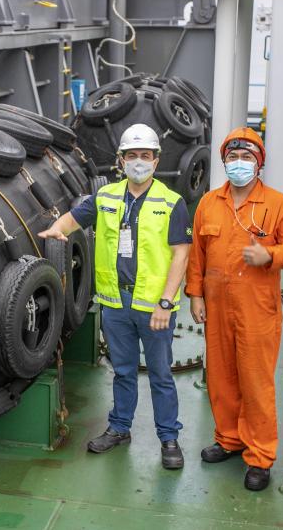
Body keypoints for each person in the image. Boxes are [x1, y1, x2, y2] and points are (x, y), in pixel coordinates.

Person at [38, 123, 191, 469]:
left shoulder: (172, 203)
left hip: (154, 307)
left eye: (145, 155)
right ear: (121, 160)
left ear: (156, 160)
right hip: (115, 304)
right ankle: (120, 428)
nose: (139, 161)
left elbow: (181, 255)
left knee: (160, 375)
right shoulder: (105, 197)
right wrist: (57, 229)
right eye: (132, 155)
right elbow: (73, 219)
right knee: (123, 371)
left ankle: (168, 438)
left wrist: (166, 302)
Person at [185, 127, 283, 491]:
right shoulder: (209, 203)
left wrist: (269, 254)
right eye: (233, 157)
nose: (239, 163)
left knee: (255, 381)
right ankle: (229, 439)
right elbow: (197, 254)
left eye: (247, 157)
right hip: (217, 305)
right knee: (221, 376)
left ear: (259, 163)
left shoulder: (277, 204)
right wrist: (195, 295)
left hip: (257, 308)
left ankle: (260, 456)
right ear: (224, 162)